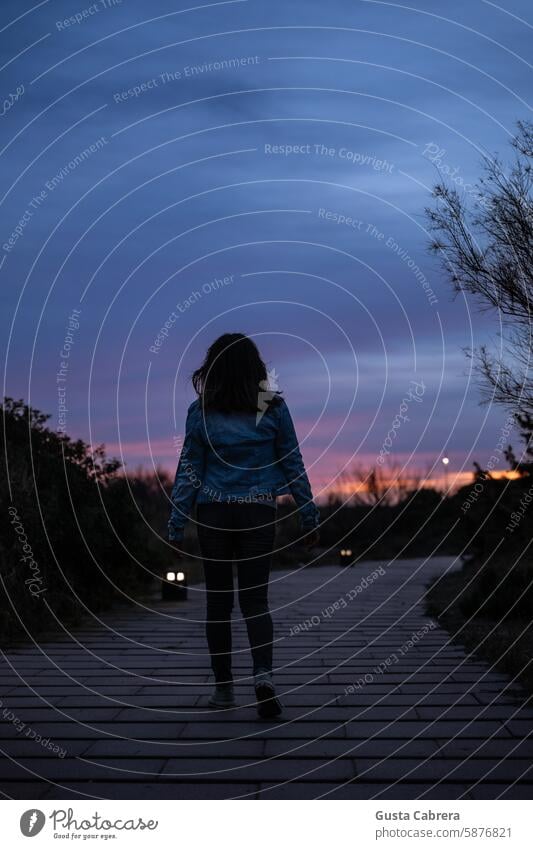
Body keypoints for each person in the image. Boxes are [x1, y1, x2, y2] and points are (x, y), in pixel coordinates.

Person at [167, 333, 320, 717]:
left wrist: (175, 524)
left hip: (213, 514)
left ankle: (223, 691)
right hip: (257, 512)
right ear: (255, 369)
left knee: (218, 605)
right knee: (255, 601)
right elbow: (293, 461)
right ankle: (263, 676)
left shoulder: (201, 411)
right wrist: (308, 512)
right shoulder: (271, 408)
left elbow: (189, 470)